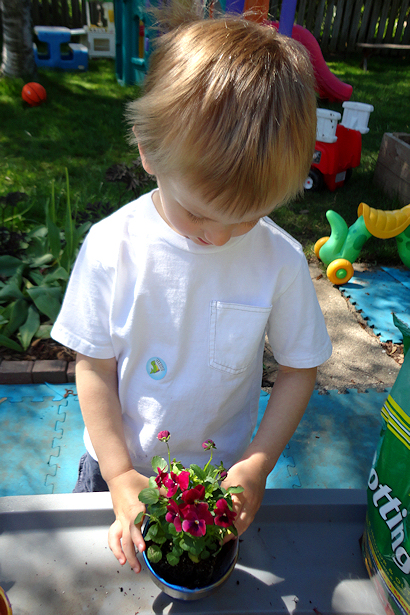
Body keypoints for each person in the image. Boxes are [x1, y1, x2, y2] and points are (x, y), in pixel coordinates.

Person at [51, 3, 332, 575]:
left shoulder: (278, 258)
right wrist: (117, 473)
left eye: (249, 217)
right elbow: (94, 366)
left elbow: (301, 366)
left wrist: (256, 463)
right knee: (98, 583)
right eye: (200, 215)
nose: (221, 236)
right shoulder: (113, 248)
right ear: (148, 152)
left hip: (218, 481)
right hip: (115, 463)